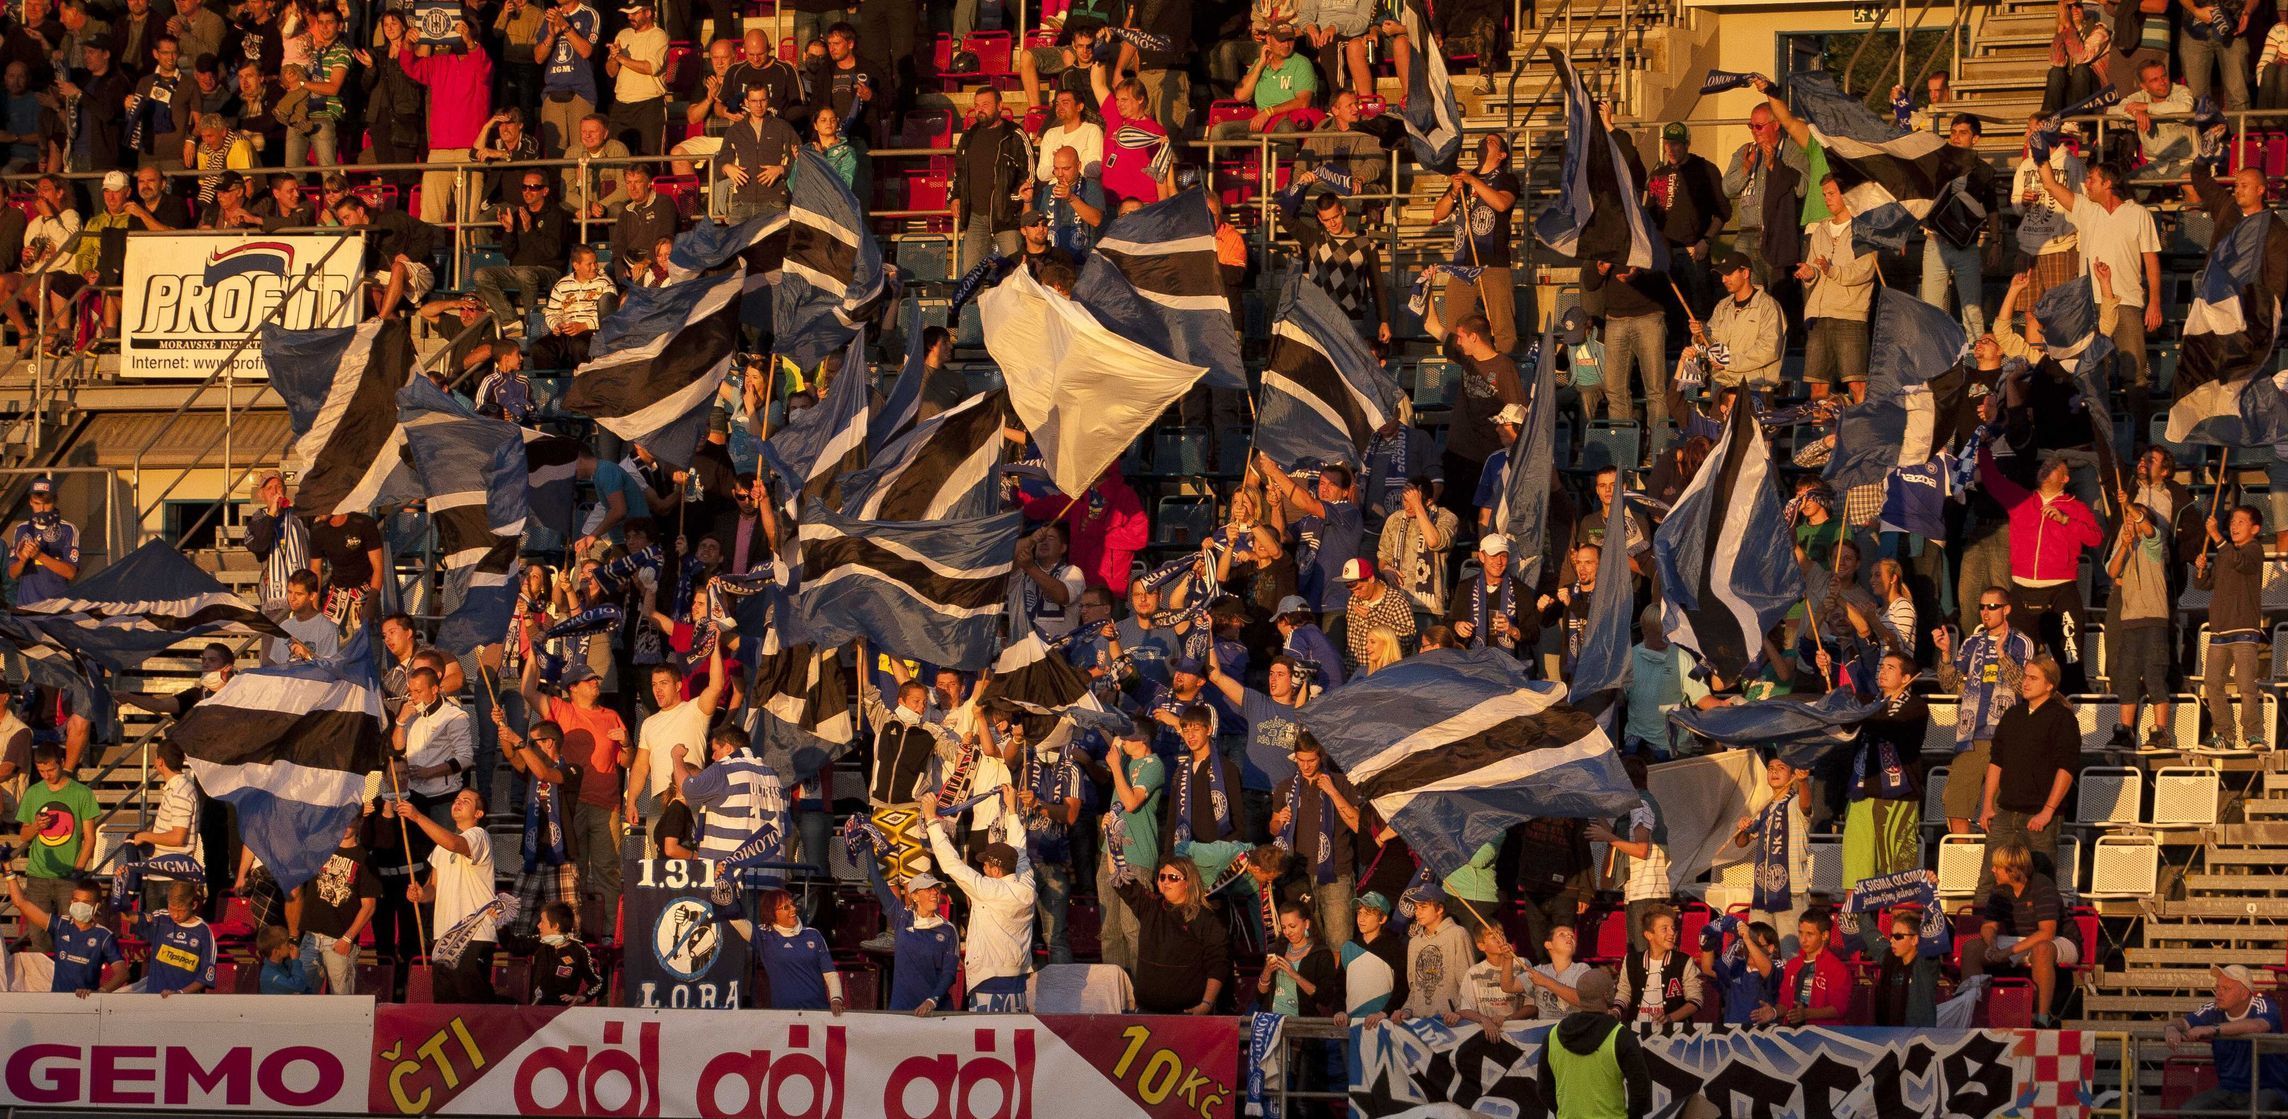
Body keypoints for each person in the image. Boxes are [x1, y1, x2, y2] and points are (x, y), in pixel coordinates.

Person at [2034, 156, 2160, 407]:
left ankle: (2140, 440)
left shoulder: (2139, 214)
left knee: (2134, 374)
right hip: (2089, 305)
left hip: (2127, 301)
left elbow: (2151, 259)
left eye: (2092, 179)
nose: (2086, 184)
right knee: (2092, 373)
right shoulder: (2086, 210)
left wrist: (2155, 300)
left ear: (2108, 184)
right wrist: (2041, 156)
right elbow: (2050, 185)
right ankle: (2096, 434)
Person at [520, 657, 630, 940]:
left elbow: (626, 761)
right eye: (589, 680)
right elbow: (528, 691)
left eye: (596, 679)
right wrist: (532, 654)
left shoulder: (611, 715)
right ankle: (575, 932)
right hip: (570, 804)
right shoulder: (561, 709)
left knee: (607, 869)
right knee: (573, 872)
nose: (596, 683)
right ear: (573, 688)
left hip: (607, 803)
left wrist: (627, 743)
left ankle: (607, 933)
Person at [920, 786, 1038, 1011]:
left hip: (989, 982)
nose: (982, 868)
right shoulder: (1026, 883)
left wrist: (931, 820)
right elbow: (1019, 851)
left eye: (986, 864)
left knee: (990, 1044)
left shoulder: (988, 890)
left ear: (995, 870)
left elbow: (950, 863)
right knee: (1011, 1041)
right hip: (1018, 980)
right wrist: (1012, 809)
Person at [1934, 587, 2037, 833]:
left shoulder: (2021, 642)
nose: (1985, 612)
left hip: (2004, 739)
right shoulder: (1971, 642)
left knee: (1998, 813)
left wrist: (2002, 655)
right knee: (1956, 806)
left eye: (1992, 607)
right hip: (1969, 737)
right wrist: (1946, 655)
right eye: (1982, 607)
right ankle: (1962, 865)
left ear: (2007, 609)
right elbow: (1949, 685)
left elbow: (2024, 688)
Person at [1980, 655, 2078, 897]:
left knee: (2040, 884)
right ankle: (1976, 933)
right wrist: (1987, 805)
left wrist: (2047, 811)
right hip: (2004, 813)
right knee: (1988, 882)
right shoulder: (2013, 715)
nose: (2025, 682)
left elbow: (2066, 768)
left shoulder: (2062, 718)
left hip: (2039, 817)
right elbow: (1996, 762)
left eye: (2033, 678)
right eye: (2025, 676)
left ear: (2049, 685)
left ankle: (2041, 934)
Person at [1959, 840, 2080, 1027]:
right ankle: (1972, 1014)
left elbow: (2047, 933)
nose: (1993, 871)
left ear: (2012, 870)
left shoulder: (2041, 885)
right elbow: (1989, 926)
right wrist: (1991, 944)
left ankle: (2041, 1018)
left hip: (2059, 940)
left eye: (1997, 867)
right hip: (2021, 941)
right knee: (1972, 948)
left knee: (2041, 949)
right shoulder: (1999, 890)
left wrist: (2007, 952)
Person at [397, 788, 498, 1002]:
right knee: (445, 1003)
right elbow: (433, 887)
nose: (458, 803)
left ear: (478, 814)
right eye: (456, 799)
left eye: (466, 801)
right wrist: (420, 893)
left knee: (472, 1004)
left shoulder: (479, 835)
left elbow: (455, 844)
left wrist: (417, 816)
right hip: (444, 937)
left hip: (473, 935)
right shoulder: (441, 847)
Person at [1431, 133, 1520, 355]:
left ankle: (1501, 372)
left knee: (1501, 326)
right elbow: (1438, 213)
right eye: (1483, 140)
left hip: (1493, 262)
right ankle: (1463, 373)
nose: (1484, 142)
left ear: (1502, 154)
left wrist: (1474, 182)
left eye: (1491, 141)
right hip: (1462, 263)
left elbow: (1501, 204)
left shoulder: (1506, 179)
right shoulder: (1465, 179)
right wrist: (1453, 192)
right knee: (1456, 327)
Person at [1113, 855, 1231, 1014]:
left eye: (1173, 877)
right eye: (1162, 877)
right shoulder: (1151, 906)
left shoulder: (1207, 919)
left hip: (1187, 1014)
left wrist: (1206, 1004)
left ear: (1188, 883)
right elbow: (1120, 880)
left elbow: (1218, 964)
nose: (1166, 881)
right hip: (1147, 1011)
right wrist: (1111, 838)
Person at [2165, 964, 2288, 1113]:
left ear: (2244, 994)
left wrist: (2212, 1029)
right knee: (2188, 1111)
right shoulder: (2213, 1009)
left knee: (2259, 1110)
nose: (2219, 993)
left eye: (2226, 989)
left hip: (2268, 1087)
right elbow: (2183, 1022)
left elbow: (2259, 1026)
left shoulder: (2263, 1005)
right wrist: (2171, 1028)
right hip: (2228, 1089)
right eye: (2218, 987)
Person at [1798, 175, 1877, 402]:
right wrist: (1809, 272)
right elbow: (1815, 267)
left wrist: (1832, 271)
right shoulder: (1820, 230)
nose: (1826, 199)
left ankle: (1861, 432)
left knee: (1857, 384)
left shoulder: (1865, 231)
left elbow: (1865, 270)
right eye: (1824, 195)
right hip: (1818, 316)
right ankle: (1822, 434)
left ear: (1846, 195)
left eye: (1831, 193)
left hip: (1849, 316)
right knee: (1817, 388)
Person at [2196, 505, 2269, 751]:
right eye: (2233, 521)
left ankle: (2254, 734)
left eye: (2241, 522)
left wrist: (2217, 538)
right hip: (2220, 630)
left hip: (2244, 628)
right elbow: (2206, 585)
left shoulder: (2254, 550)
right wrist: (2201, 571)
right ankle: (2224, 733)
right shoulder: (2225, 553)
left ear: (2255, 529)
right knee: (2213, 683)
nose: (2234, 526)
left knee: (2246, 684)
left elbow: (2241, 563)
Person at [1535, 969, 1653, 1118]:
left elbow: (1543, 1089)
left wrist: (1563, 1113)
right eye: (1612, 988)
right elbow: (1641, 1090)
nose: (1615, 991)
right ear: (1606, 995)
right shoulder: (1620, 1036)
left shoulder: (1553, 1036)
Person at [2106, 499, 2175, 750]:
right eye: (2128, 517)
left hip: (2154, 617)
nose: (2131, 520)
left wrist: (2129, 506)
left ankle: (2160, 731)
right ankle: (2125, 731)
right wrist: (2124, 545)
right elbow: (2112, 572)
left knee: (2155, 673)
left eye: (2135, 517)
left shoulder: (2153, 543)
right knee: (2126, 676)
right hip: (2129, 620)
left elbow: (2148, 529)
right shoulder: (2123, 544)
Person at [15, 745, 97, 950]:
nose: (46, 775)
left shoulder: (82, 793)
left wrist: (78, 869)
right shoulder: (33, 792)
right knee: (38, 935)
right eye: (41, 771)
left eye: (50, 770)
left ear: (61, 763)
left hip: (68, 876)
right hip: (38, 875)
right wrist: (36, 826)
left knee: (71, 935)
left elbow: (90, 838)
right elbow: (23, 835)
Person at [1723, 102, 1807, 289]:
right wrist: (1745, 168)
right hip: (1746, 235)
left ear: (1776, 125)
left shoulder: (1792, 151)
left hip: (1776, 237)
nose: (1754, 131)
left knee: (1777, 296)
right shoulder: (1745, 151)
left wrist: (1774, 165)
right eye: (1751, 126)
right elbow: (1727, 188)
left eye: (1759, 126)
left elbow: (1802, 188)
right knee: (1748, 296)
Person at [1364, 882, 1475, 1025]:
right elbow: (1414, 989)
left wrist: (1460, 1013)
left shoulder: (1458, 934)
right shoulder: (1414, 942)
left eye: (1423, 907)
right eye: (1416, 908)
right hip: (1419, 1024)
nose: (1417, 912)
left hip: (1450, 1023)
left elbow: (1468, 983)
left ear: (1439, 909)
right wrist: (1406, 1010)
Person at [4, 873, 126, 994]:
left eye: (85, 902)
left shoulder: (104, 936)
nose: (79, 906)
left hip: (86, 1003)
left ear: (96, 906)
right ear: (71, 901)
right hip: (58, 1001)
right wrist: (9, 871)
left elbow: (122, 973)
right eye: (76, 900)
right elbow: (20, 903)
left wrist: (101, 992)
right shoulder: (60, 925)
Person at [952, 86, 1031, 270]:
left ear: (1000, 106)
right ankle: (975, 301)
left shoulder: (1015, 135)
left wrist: (1013, 200)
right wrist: (955, 196)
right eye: (977, 105)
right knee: (971, 276)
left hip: (1006, 217)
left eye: (985, 104)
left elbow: (1029, 175)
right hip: (975, 216)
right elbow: (959, 171)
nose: (980, 109)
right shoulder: (968, 136)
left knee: (1016, 273)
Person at [295, 818, 377, 994]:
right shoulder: (318, 849)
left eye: (350, 820)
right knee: (300, 999)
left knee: (342, 1002)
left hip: (339, 940)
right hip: (310, 937)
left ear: (360, 823)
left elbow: (369, 905)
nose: (344, 825)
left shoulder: (364, 858)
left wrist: (347, 939)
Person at [1692, 252, 1783, 390]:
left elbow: (1768, 350)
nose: (1723, 279)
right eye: (1722, 275)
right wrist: (1699, 335)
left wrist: (1729, 362)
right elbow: (1712, 343)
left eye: (1728, 274)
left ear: (1745, 273)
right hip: (1722, 384)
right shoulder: (1722, 306)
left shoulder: (1768, 306)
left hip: (1756, 386)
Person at [752, 887, 845, 1012]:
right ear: (771, 913)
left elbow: (830, 974)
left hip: (818, 1013)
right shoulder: (764, 936)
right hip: (784, 1016)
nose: (794, 909)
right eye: (786, 907)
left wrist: (836, 998)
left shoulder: (813, 935)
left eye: (792, 904)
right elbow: (737, 921)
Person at [716, 83, 797, 221]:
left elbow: (800, 161)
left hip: (774, 203)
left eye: (763, 100)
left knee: (774, 243)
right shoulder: (735, 131)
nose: (759, 105)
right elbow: (719, 165)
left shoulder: (783, 128)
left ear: (768, 100)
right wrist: (726, 167)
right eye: (754, 101)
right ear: (746, 102)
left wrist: (781, 169)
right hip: (741, 204)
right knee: (737, 244)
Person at [1612, 903, 1702, 1023]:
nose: (1672, 933)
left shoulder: (1684, 961)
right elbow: (1624, 993)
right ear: (1649, 935)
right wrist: (1615, 1011)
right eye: (1665, 929)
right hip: (1637, 1030)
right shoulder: (1631, 961)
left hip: (1674, 1034)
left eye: (1673, 928)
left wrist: (1670, 1018)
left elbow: (1696, 1000)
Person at [603, 0, 669, 154]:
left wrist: (621, 58)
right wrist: (613, 58)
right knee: (615, 155)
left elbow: (651, 67)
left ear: (648, 12)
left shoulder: (659, 35)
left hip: (649, 104)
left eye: (634, 13)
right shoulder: (623, 34)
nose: (630, 17)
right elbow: (611, 72)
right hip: (621, 104)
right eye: (628, 13)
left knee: (649, 157)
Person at [1259, 900, 1344, 1018]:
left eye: (1292, 926)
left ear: (1307, 924)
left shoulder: (1321, 954)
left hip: (1302, 1021)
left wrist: (1295, 975)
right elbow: (1260, 996)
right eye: (1284, 927)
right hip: (1272, 1020)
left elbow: (1325, 998)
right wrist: (1267, 972)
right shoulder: (1278, 949)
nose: (1287, 932)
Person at [1773, 909, 1850, 1026]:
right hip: (1792, 1032)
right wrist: (1773, 1012)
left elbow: (1839, 1008)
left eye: (1809, 934)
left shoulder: (1837, 968)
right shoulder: (1792, 965)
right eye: (1800, 933)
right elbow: (1784, 1003)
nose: (1803, 939)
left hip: (1823, 1035)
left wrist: (1806, 1014)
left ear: (1825, 935)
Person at [9, 474, 78, 604]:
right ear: (30, 502)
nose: (41, 509)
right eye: (37, 503)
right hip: (27, 606)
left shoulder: (68, 529)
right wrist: (23, 561)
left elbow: (71, 573)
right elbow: (12, 574)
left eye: (46, 503)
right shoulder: (21, 529)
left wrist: (39, 555)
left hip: (57, 607)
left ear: (55, 501)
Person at [1697, 917, 1780, 1026]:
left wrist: (1748, 939)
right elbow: (1708, 970)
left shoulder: (1778, 966)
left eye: (1755, 943)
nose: (1749, 948)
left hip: (1763, 1037)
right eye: (1745, 944)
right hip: (1732, 1038)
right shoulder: (1736, 969)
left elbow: (1768, 972)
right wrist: (1707, 943)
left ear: (1770, 948)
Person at [1449, 535, 1523, 654]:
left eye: (1503, 556)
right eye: (1493, 556)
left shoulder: (1519, 589)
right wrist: (1457, 626)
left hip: (1508, 664)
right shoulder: (1466, 586)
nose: (1499, 562)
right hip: (1472, 660)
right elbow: (1449, 622)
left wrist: (1512, 630)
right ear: (1481, 556)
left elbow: (1533, 633)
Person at [142, 880, 217, 996]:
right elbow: (129, 916)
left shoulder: (204, 932)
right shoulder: (161, 919)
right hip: (153, 1000)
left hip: (185, 1004)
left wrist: (179, 994)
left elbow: (206, 976)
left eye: (181, 910)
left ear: (194, 905)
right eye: (171, 909)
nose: (175, 915)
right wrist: (120, 886)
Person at [1872, 909, 1942, 1028]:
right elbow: (1869, 933)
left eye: (1898, 936)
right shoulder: (1890, 958)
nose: (1892, 940)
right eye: (1892, 936)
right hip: (1890, 1037)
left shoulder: (1926, 965)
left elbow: (1934, 943)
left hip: (1919, 1040)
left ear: (1914, 940)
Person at [529, 900, 604, 1005]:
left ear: (555, 926)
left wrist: (582, 997)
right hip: (533, 1012)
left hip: (560, 1014)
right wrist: (499, 923)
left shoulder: (579, 951)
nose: (539, 925)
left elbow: (598, 983)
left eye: (543, 922)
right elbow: (513, 943)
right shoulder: (539, 943)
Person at [257, 924, 311, 994]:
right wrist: (295, 961)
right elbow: (299, 987)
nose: (291, 945)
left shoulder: (284, 963)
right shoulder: (270, 976)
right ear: (276, 952)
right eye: (287, 943)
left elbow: (306, 987)